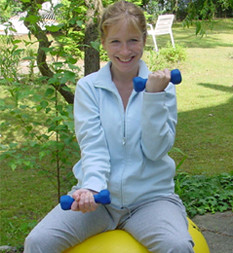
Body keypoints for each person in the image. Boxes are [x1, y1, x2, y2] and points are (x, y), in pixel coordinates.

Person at [24, 1, 194, 252]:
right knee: (39, 242)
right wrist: (91, 187)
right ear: (102, 43)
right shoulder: (89, 88)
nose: (125, 50)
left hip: (151, 200)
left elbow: (156, 150)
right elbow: (93, 146)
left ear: (144, 40)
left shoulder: (162, 86)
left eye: (133, 40)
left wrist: (154, 97)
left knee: (177, 245)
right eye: (115, 41)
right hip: (101, 200)